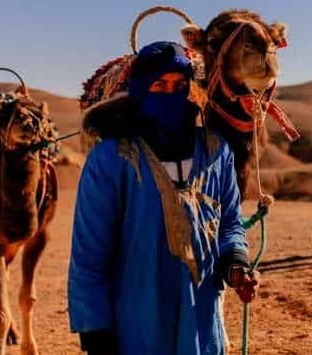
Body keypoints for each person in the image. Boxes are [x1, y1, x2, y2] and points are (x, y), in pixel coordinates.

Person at [68, 41, 258, 355]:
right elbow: (89, 257)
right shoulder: (111, 158)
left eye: (179, 85)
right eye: (160, 85)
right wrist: (95, 332)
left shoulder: (216, 151)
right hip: (137, 326)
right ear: (142, 88)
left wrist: (236, 266)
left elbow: (229, 225)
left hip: (202, 321)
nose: (170, 93)